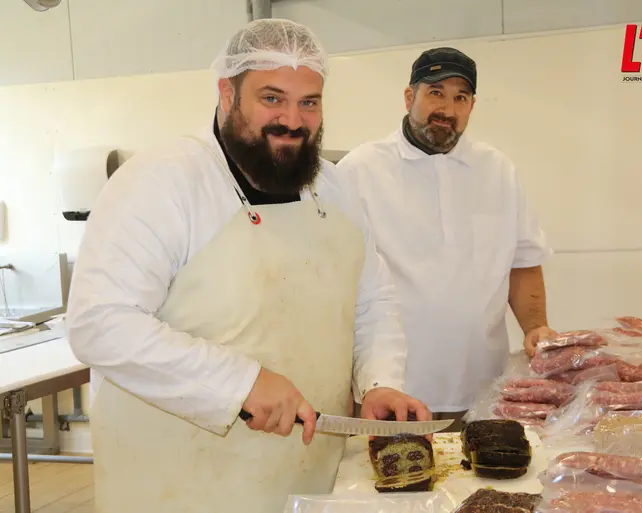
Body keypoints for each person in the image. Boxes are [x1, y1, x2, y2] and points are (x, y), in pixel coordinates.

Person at [65, 19, 430, 513]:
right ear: (226, 93)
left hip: (310, 477)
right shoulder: (160, 183)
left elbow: (372, 299)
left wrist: (379, 381)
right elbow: (99, 323)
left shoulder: (336, 187)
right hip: (181, 486)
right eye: (272, 98)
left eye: (309, 102)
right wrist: (239, 384)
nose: (293, 121)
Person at [336, 47, 554, 431]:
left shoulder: (498, 170)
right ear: (410, 97)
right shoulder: (361, 169)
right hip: (392, 391)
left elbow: (523, 262)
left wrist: (536, 326)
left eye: (461, 97)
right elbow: (337, 277)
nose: (447, 109)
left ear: (472, 105)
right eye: (435, 92)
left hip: (483, 389)